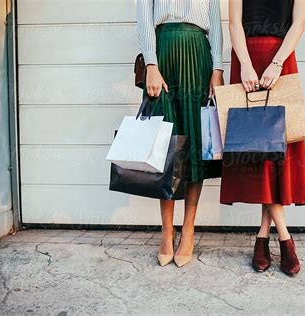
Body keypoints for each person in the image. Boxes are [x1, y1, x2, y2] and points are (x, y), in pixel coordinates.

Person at [221, 0, 305, 276]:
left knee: (275, 153)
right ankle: (284, 238)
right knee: (256, 148)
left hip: (280, 61)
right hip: (246, 59)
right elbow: (234, 23)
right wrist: (246, 65)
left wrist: (276, 63)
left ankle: (263, 235)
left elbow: (298, 24)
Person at [136, 0, 224, 268]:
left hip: (198, 54)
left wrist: (217, 68)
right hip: (162, 54)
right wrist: (151, 63)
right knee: (165, 147)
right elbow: (143, 16)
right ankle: (166, 231)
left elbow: (216, 24)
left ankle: (188, 229)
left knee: (196, 143)